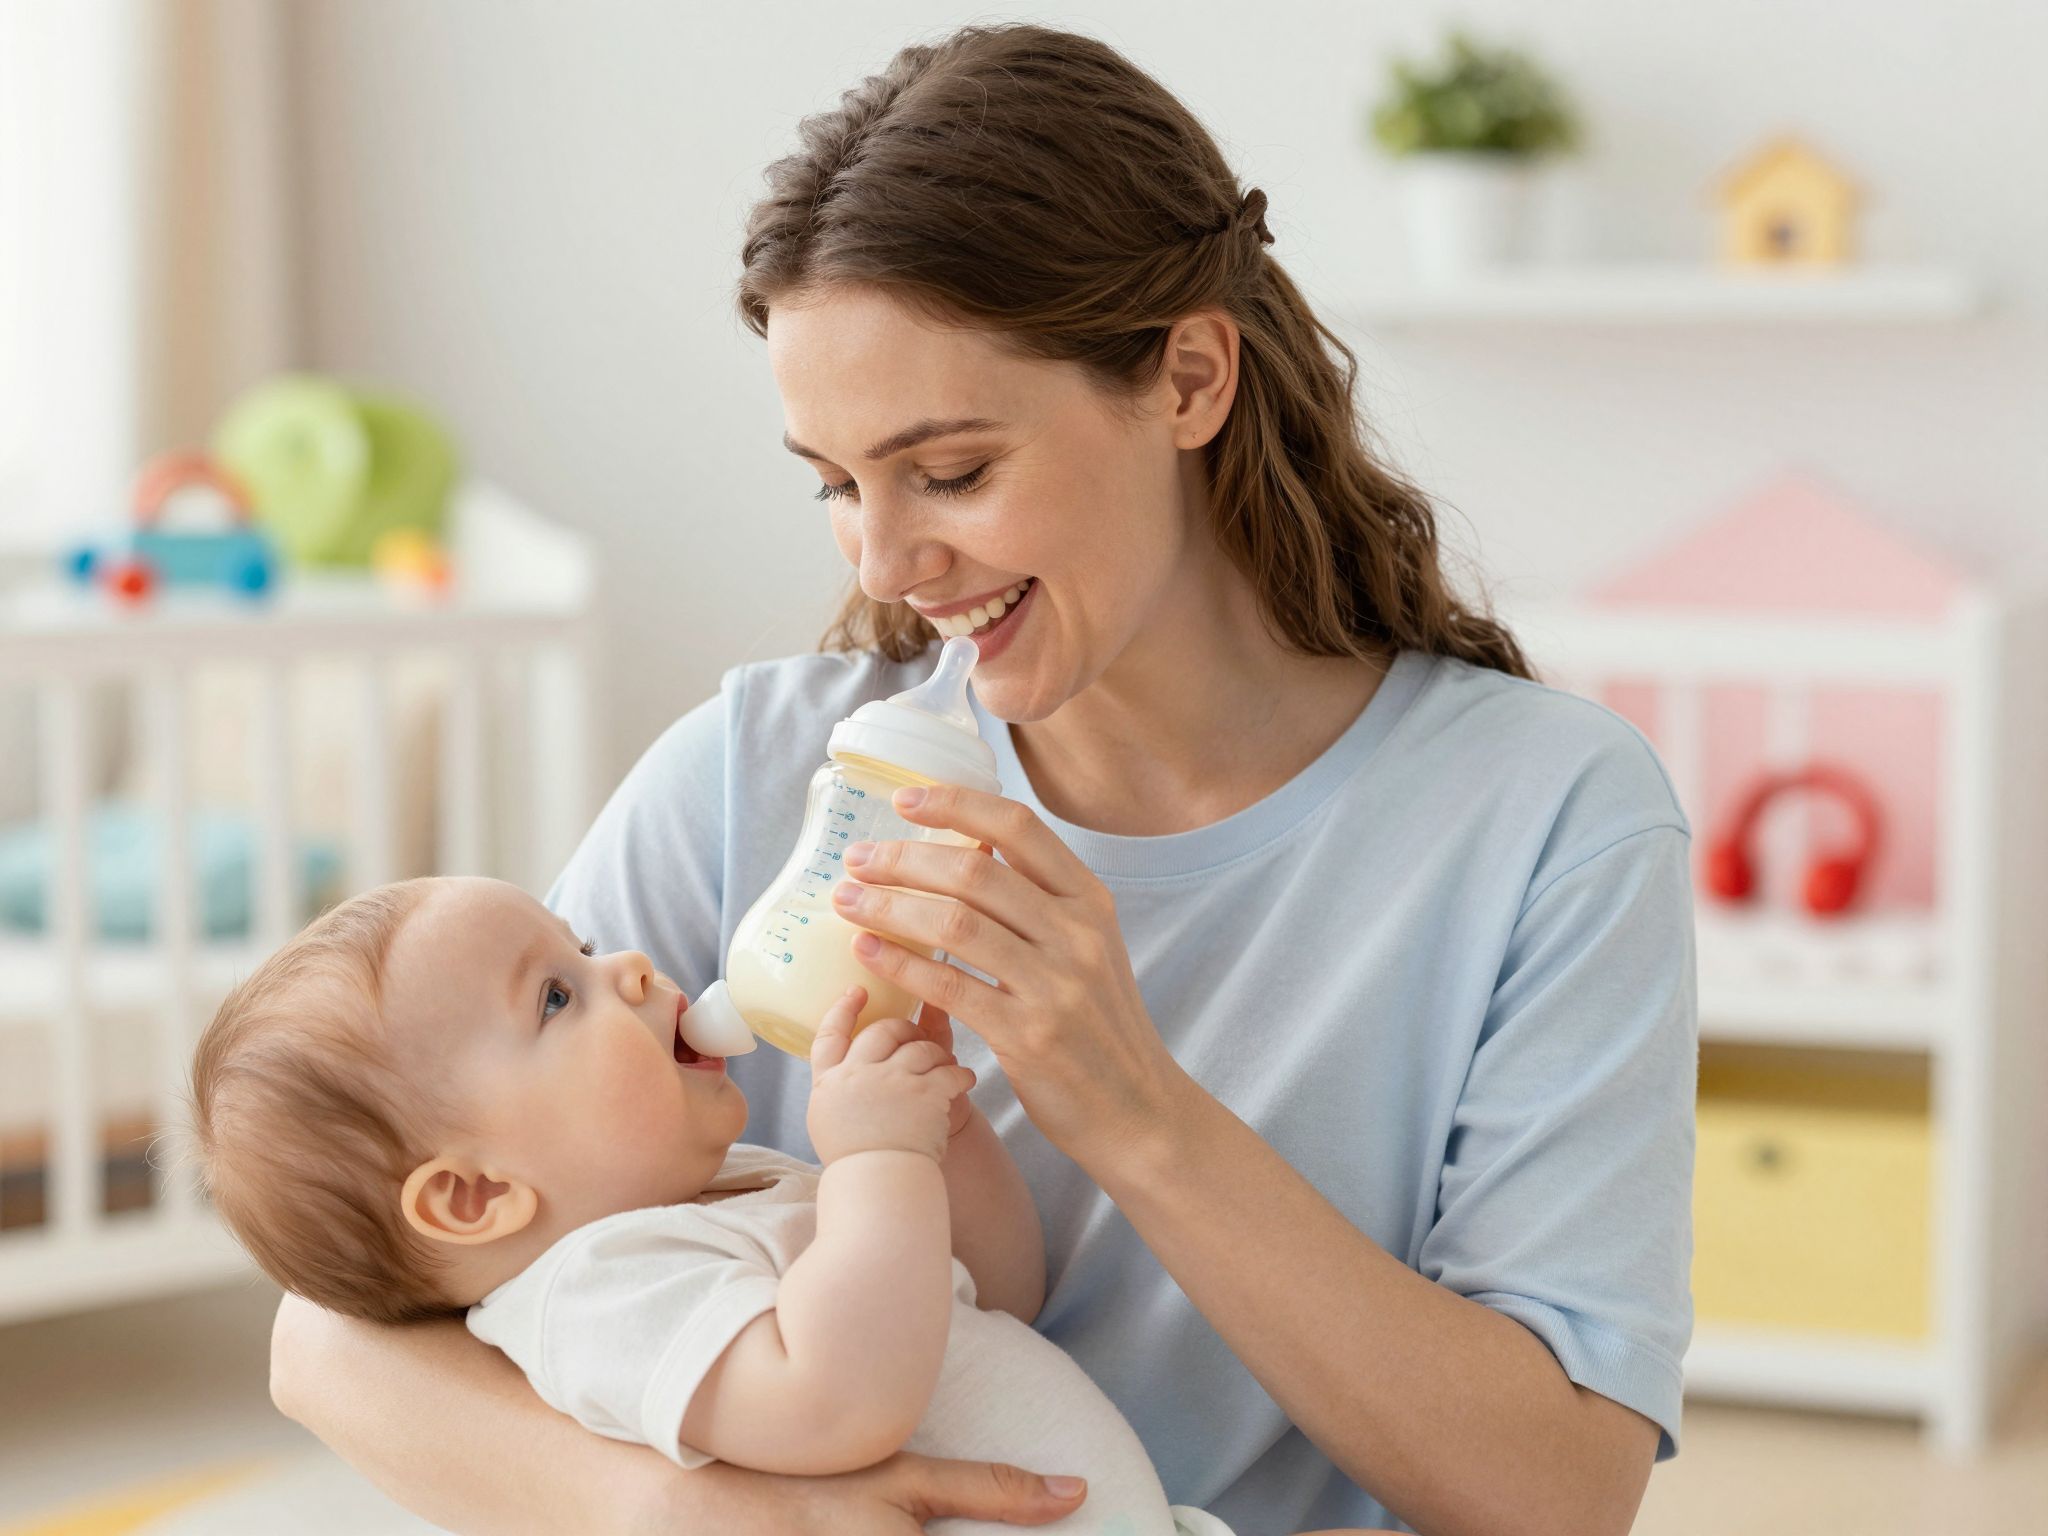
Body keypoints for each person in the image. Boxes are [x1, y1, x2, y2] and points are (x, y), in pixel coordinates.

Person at [269, 23, 1694, 1536]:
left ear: (1189, 377)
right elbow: (335, 1334)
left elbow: (1560, 1498)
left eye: (949, 473)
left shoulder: (1548, 820)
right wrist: (712, 1520)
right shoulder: (760, 770)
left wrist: (1134, 1110)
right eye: (836, 483)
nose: (886, 563)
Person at [192, 875, 1233, 1535]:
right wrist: (877, 1159)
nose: (627, 966)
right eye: (556, 996)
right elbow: (836, 1402)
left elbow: (998, 1292)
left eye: (581, 946)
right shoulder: (597, 1296)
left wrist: (940, 1143)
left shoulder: (736, 1181)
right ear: (476, 1194)